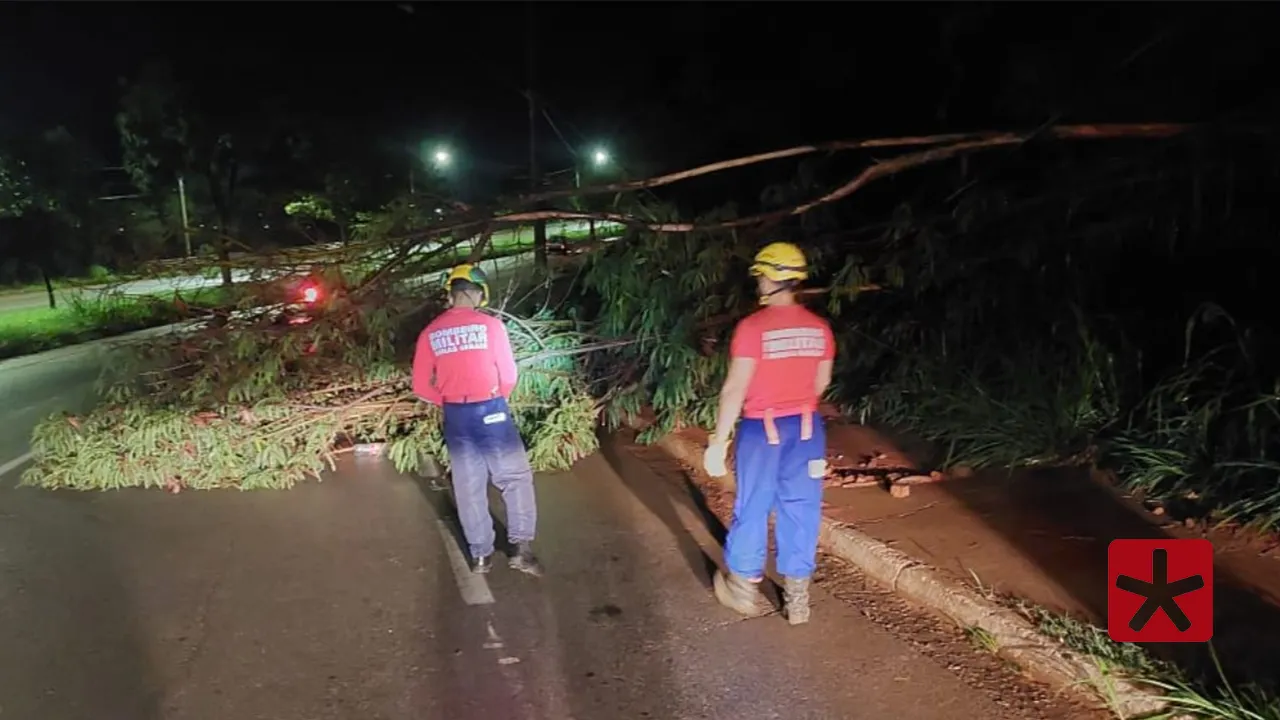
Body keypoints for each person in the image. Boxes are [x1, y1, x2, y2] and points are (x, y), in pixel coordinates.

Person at [703, 242, 835, 625]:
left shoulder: (752, 329)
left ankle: (742, 587)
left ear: (770, 277)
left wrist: (718, 441)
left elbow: (735, 389)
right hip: (808, 430)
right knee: (802, 509)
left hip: (764, 429)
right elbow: (821, 382)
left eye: (760, 275)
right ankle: (797, 600)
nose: (758, 281)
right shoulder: (819, 328)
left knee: (754, 505)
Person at [412, 263, 543, 576]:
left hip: (456, 415)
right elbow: (509, 375)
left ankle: (481, 556)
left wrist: (447, 400)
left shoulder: (430, 332)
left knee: (468, 485)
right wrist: (497, 397)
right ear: (479, 293)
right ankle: (521, 551)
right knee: (514, 478)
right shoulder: (491, 326)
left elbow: (419, 386)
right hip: (492, 410)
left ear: (451, 293)